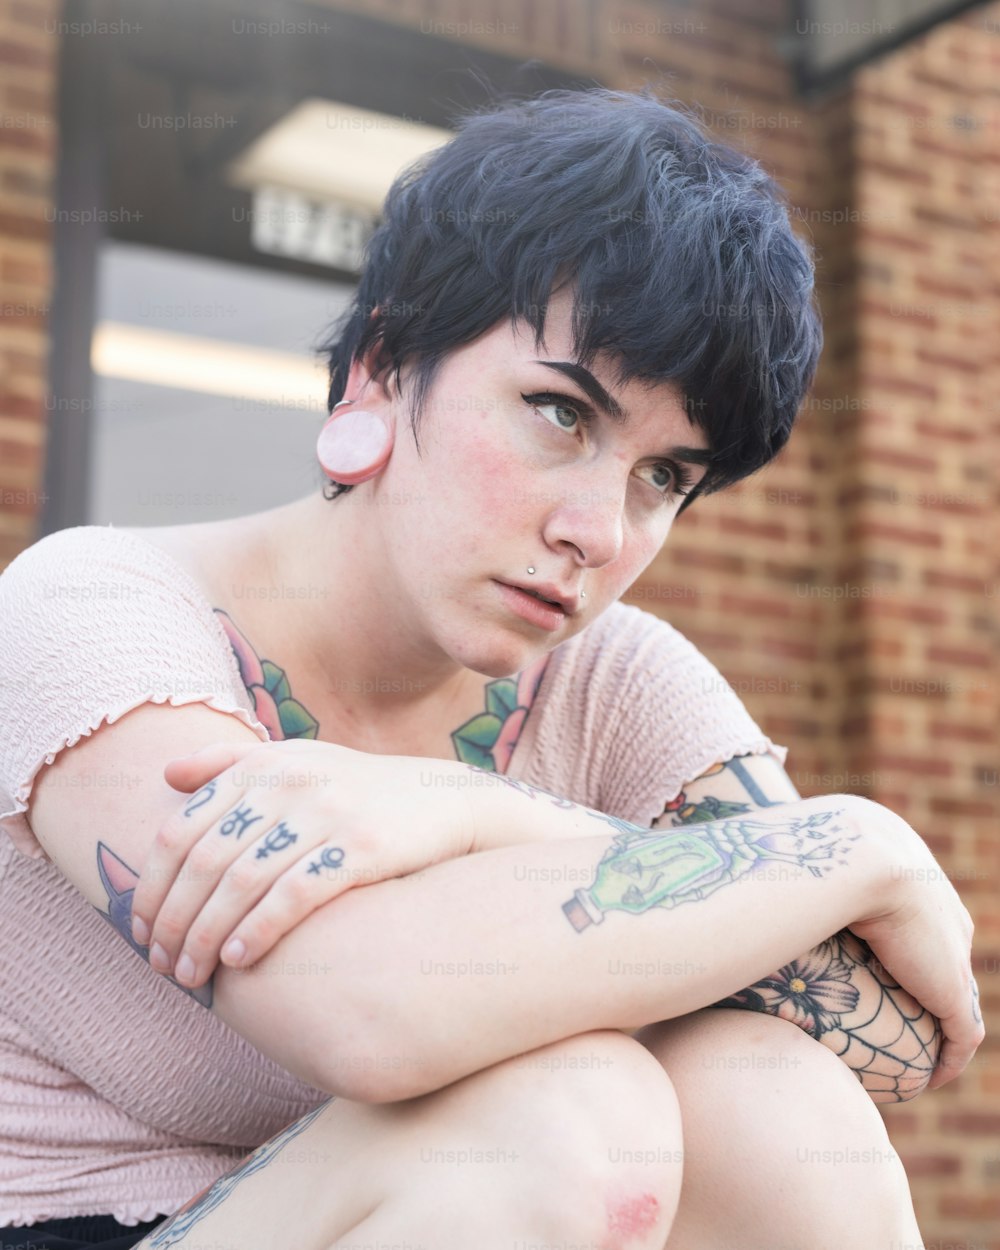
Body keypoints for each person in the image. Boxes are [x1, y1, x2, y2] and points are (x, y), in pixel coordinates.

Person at [0, 87, 980, 1250]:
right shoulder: (89, 611)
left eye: (664, 475)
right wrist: (839, 856)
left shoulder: (617, 679)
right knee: (566, 1112)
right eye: (560, 414)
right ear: (378, 368)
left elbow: (894, 1032)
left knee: (767, 1086)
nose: (600, 529)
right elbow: (359, 1008)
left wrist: (465, 807)